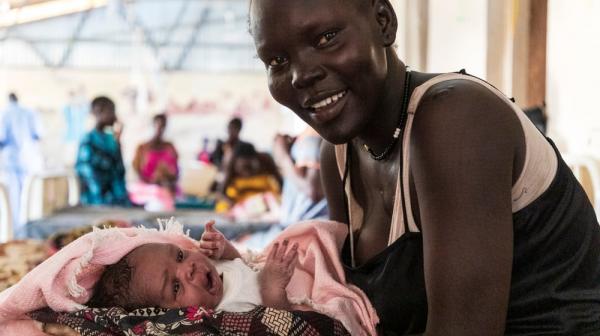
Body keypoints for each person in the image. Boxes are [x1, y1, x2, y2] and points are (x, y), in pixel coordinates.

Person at [249, 1, 600, 335]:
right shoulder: (338, 156)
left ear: (383, 21)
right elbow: (355, 315)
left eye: (326, 38)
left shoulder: (457, 119)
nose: (300, 76)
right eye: (277, 61)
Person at [88, 221, 299, 312]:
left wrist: (224, 249)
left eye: (179, 255)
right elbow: (279, 325)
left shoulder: (212, 270)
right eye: (176, 287)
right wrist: (271, 290)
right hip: (297, 292)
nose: (187, 269)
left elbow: (238, 266)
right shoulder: (229, 312)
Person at [242, 127, 328, 249]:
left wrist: (282, 156)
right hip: (296, 228)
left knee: (238, 244)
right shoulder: (308, 137)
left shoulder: (312, 137)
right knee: (242, 241)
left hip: (303, 231)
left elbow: (313, 191)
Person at [75, 96, 129, 206]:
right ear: (99, 112)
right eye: (111, 111)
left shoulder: (111, 139)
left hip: (116, 199)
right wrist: (105, 197)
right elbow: (88, 173)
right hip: (96, 200)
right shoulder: (88, 139)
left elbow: (119, 170)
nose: (115, 116)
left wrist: (118, 141)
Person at [0, 93, 43, 229]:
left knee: (12, 198)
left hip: (10, 161)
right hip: (27, 159)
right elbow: (37, 135)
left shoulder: (4, 113)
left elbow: (2, 138)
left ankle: (13, 229)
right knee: (27, 197)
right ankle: (23, 228)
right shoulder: (29, 113)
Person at [215, 142, 281, 217]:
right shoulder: (230, 164)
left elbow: (282, 186)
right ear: (235, 163)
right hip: (238, 204)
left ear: (257, 160)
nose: (248, 173)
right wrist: (238, 206)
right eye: (244, 168)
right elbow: (220, 193)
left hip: (264, 203)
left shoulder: (266, 160)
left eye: (250, 168)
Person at [132, 114, 179, 193]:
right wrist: (152, 183)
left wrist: (166, 181)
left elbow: (175, 171)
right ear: (152, 125)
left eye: (163, 126)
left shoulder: (170, 148)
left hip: (167, 189)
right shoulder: (142, 148)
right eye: (157, 125)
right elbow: (138, 170)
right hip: (147, 189)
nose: (160, 129)